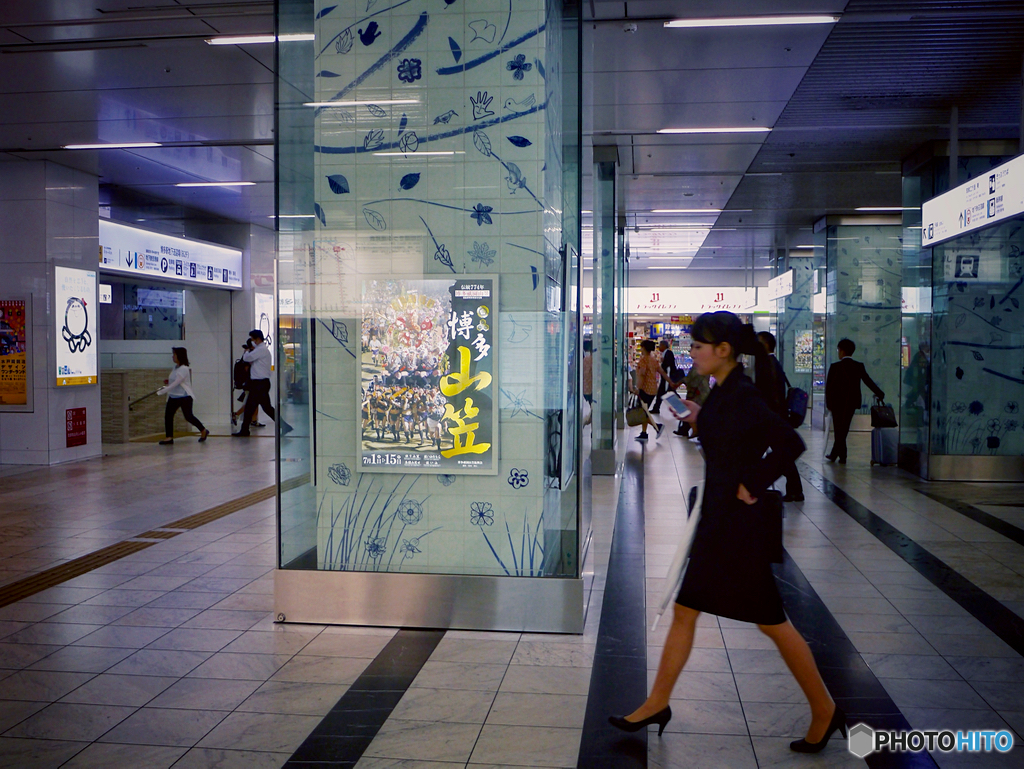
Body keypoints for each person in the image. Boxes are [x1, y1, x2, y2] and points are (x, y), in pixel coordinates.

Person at [609, 312, 844, 753]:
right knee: (687, 611)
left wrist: (752, 483)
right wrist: (699, 416)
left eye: (699, 345)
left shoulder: (743, 394)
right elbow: (728, 438)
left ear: (723, 351)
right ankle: (658, 701)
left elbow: (790, 442)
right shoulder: (722, 391)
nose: (692, 351)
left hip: (738, 529)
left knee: (773, 623)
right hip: (717, 521)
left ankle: (824, 709)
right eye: (693, 344)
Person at [757, 331, 804, 502]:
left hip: (772, 420)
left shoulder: (768, 364)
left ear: (766, 345)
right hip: (773, 419)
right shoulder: (771, 363)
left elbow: (771, 395)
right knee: (782, 455)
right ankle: (795, 490)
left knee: (781, 455)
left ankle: (750, 487)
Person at [824, 338, 884, 464]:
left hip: (837, 403)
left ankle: (840, 455)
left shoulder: (835, 367)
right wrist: (879, 392)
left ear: (842, 351)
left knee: (839, 429)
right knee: (844, 428)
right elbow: (868, 381)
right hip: (851, 402)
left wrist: (828, 403)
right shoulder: (858, 366)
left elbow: (829, 387)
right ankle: (838, 455)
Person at [232, 330, 293, 437]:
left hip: (259, 384)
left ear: (257, 339)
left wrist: (246, 351)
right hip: (260, 384)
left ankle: (245, 430)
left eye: (252, 339)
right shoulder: (262, 350)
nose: (251, 341)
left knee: (254, 408)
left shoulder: (261, 350)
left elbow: (247, 358)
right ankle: (284, 426)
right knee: (262, 408)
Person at [157, 347, 209, 445]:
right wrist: (168, 382)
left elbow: (177, 382)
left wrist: (163, 391)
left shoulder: (184, 368)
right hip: (174, 396)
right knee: (168, 415)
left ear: (179, 356)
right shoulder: (175, 367)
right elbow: (175, 380)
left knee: (188, 416)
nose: (173, 356)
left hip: (184, 396)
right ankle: (169, 437)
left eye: (174, 354)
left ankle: (203, 430)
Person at [627, 339, 664, 441]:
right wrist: (671, 382)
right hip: (652, 389)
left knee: (643, 412)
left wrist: (637, 388)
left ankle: (657, 426)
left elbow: (642, 375)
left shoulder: (643, 360)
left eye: (641, 347)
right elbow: (662, 372)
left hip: (644, 389)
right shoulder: (654, 360)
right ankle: (644, 432)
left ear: (644, 348)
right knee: (644, 411)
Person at [651, 338, 676, 414]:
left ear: (664, 346)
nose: (659, 347)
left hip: (667, 377)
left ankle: (681, 408)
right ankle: (656, 408)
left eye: (660, 345)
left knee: (670, 393)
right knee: (661, 393)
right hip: (665, 377)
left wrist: (668, 380)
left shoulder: (668, 353)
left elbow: (668, 367)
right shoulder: (665, 353)